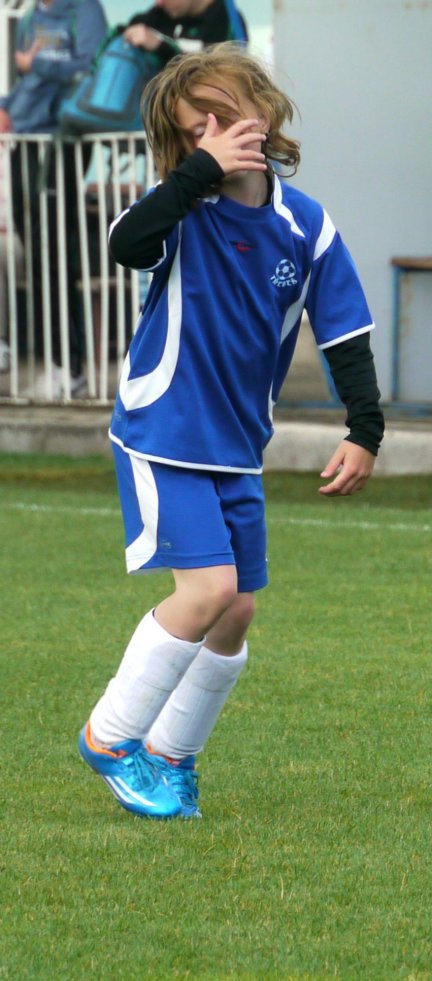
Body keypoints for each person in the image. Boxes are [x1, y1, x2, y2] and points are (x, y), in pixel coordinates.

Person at [77, 44, 384, 819]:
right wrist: (196, 173)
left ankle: (171, 757)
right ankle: (111, 738)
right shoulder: (180, 210)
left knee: (237, 609)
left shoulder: (302, 222)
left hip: (237, 447)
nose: (211, 134)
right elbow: (125, 244)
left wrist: (365, 427)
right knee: (208, 590)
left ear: (264, 109)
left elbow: (343, 329)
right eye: (193, 128)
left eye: (224, 115)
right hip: (162, 429)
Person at [0, 0, 108, 397]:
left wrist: (37, 64)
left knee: (57, 254)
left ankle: (71, 367)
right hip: (26, 141)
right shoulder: (31, 14)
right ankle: (57, 365)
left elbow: (90, 69)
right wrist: (5, 106)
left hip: (62, 139)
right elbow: (24, 79)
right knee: (39, 256)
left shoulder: (83, 9)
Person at [121, 0, 247, 64]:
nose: (158, 2)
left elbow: (218, 71)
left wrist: (161, 47)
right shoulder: (161, 14)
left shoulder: (229, 22)